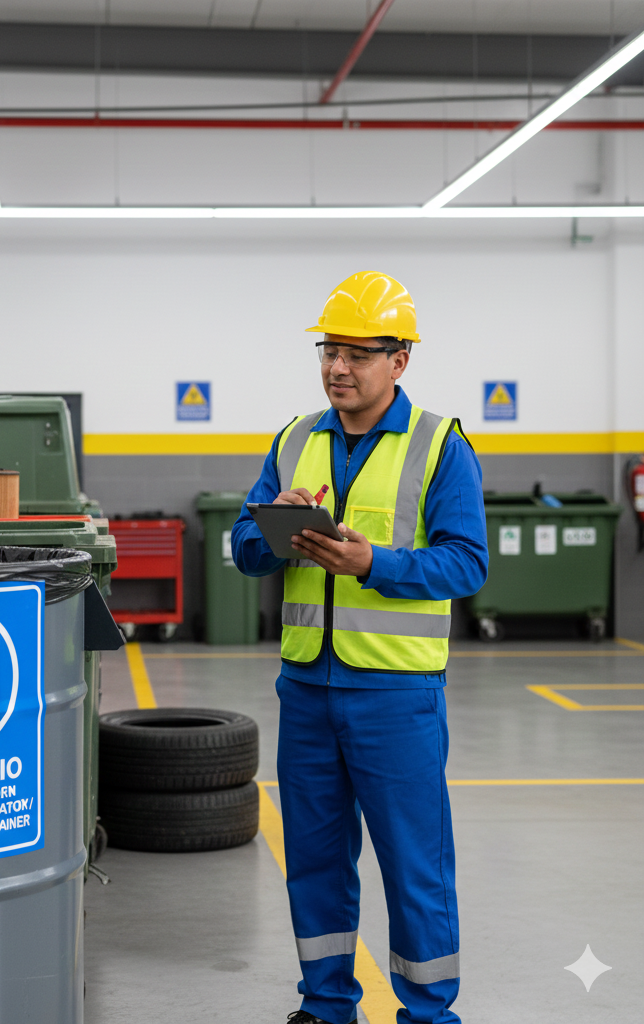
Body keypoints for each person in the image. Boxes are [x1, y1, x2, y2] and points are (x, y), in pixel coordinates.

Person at [231, 272, 488, 1024]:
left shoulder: (440, 445)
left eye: (357, 353)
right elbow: (246, 549)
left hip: (396, 697)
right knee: (313, 862)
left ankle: (430, 1013)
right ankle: (326, 1003)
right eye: (329, 350)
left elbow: (467, 562)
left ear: (399, 360)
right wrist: (272, 528)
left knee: (413, 866)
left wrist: (372, 563)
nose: (338, 367)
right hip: (307, 690)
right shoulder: (294, 438)